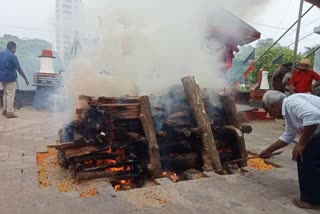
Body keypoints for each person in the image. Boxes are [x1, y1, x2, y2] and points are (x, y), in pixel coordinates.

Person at [259, 90, 320, 210]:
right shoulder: (288, 112)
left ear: (273, 106)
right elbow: (288, 135)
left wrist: (301, 144)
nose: (269, 116)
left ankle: (313, 201)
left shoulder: (291, 102)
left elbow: (313, 116)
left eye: (268, 112)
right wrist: (268, 150)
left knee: (305, 157)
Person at [0, 41, 29, 118]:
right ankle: (10, 112)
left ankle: (4, 110)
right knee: (10, 95)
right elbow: (19, 69)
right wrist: (25, 78)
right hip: (10, 78)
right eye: (15, 48)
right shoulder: (13, 56)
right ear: (13, 48)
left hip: (2, 78)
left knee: (5, 93)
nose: (15, 50)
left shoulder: (1, 54)